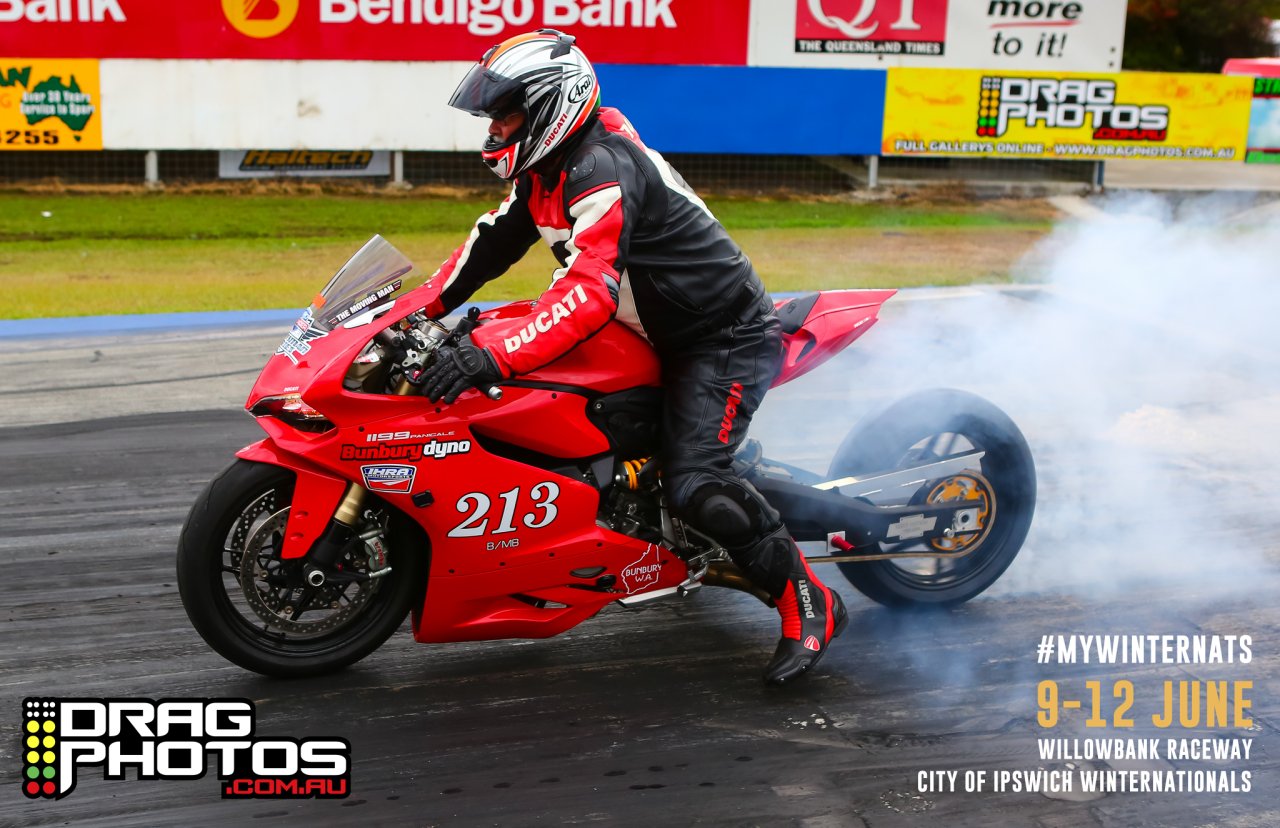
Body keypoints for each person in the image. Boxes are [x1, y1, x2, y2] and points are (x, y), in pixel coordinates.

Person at [417, 29, 845, 685]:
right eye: (493, 117)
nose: (496, 129)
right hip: (651, 329)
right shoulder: (548, 172)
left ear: (548, 107)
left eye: (507, 114)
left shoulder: (600, 168)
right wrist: (409, 314)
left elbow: (589, 293)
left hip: (719, 336)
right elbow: (488, 248)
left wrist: (491, 360)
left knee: (698, 480)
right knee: (524, 374)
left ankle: (806, 598)